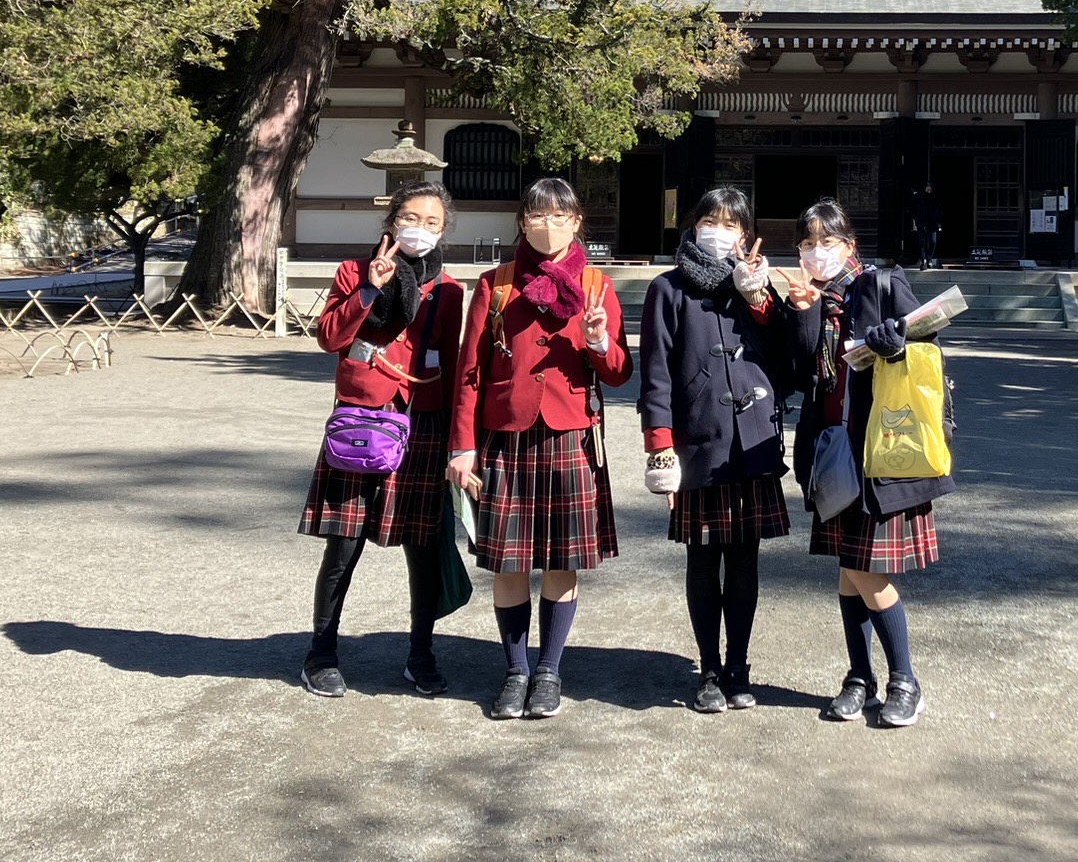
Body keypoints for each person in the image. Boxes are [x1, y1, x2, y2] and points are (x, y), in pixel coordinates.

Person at [449, 178, 634, 721]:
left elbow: (619, 373)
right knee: (508, 564)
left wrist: (598, 341)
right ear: (522, 222)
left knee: (560, 560)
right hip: (506, 435)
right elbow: (469, 372)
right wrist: (462, 447)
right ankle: (515, 671)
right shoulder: (496, 284)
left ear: (577, 222)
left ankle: (549, 669)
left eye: (559, 215)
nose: (547, 225)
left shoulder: (597, 285)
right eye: (537, 215)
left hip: (570, 433)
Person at [779, 199, 953, 727]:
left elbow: (929, 352)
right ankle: (859, 678)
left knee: (867, 572)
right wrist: (802, 312)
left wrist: (897, 348)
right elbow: (798, 374)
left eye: (826, 241)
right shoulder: (810, 298)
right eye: (807, 243)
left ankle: (905, 681)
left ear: (849, 245)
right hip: (832, 450)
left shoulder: (882, 284)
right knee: (848, 572)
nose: (816, 252)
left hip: (881, 451)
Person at [298, 180, 465, 698]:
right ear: (392, 221)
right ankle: (321, 654)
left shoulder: (450, 290)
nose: (420, 229)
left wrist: (460, 438)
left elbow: (452, 363)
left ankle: (421, 654)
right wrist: (369, 290)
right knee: (343, 544)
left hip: (422, 424)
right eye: (411, 218)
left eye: (433, 222)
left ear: (443, 231)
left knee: (423, 545)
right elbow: (329, 337)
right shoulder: (354, 271)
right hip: (362, 421)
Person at [638, 188, 790, 713]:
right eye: (710, 221)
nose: (718, 232)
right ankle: (708, 670)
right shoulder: (667, 289)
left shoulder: (757, 288)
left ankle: (738, 667)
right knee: (703, 563)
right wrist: (660, 449)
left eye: (731, 225)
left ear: (746, 236)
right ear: (693, 226)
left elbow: (788, 358)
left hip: (752, 442)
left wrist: (759, 300)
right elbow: (655, 375)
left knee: (745, 564)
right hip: (698, 443)